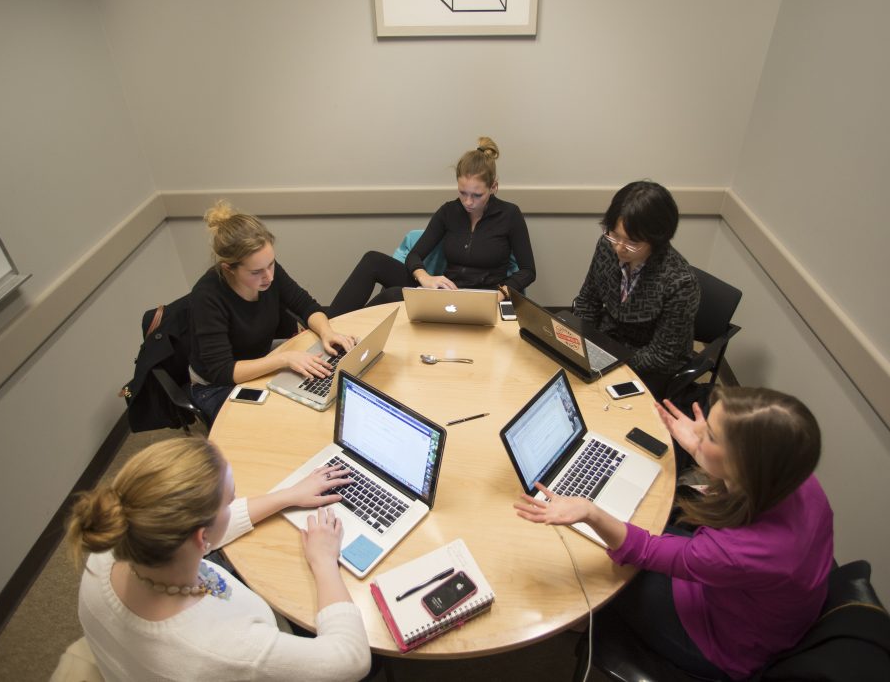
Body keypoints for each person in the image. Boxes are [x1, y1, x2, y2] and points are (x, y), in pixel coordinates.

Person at [514, 387, 834, 680]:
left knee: (599, 564)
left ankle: (582, 619)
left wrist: (591, 511)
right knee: (632, 529)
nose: (698, 430)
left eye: (709, 434)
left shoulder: (731, 552)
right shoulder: (796, 481)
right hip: (752, 604)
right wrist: (700, 447)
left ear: (743, 463)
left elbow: (645, 551)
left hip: (720, 644)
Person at [66, 437, 371, 681]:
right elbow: (350, 660)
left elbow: (197, 529)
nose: (235, 504)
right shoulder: (229, 648)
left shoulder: (112, 546)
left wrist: (288, 496)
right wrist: (323, 561)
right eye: (231, 500)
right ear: (201, 537)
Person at [328, 137, 536, 317]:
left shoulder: (510, 215)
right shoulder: (449, 211)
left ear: (494, 187)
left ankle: (346, 336)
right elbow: (415, 254)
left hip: (482, 299)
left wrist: (502, 293)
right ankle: (327, 327)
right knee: (373, 260)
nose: (468, 202)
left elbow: (528, 271)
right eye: (463, 193)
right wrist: (425, 278)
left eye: (477, 195)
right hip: (445, 292)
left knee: (391, 296)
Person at [189, 200, 355, 424]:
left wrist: (327, 332)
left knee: (316, 400)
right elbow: (223, 371)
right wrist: (284, 359)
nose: (269, 277)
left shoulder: (265, 273)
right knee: (276, 422)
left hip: (262, 357)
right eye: (257, 271)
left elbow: (306, 306)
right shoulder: (207, 297)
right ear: (229, 268)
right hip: (217, 385)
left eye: (271, 264)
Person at [572, 180, 700, 399]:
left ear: (657, 239)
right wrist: (581, 342)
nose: (619, 247)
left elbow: (662, 355)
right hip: (607, 344)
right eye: (614, 234)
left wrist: (609, 363)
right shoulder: (607, 246)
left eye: (632, 242)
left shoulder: (680, 282)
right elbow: (588, 301)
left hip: (649, 364)